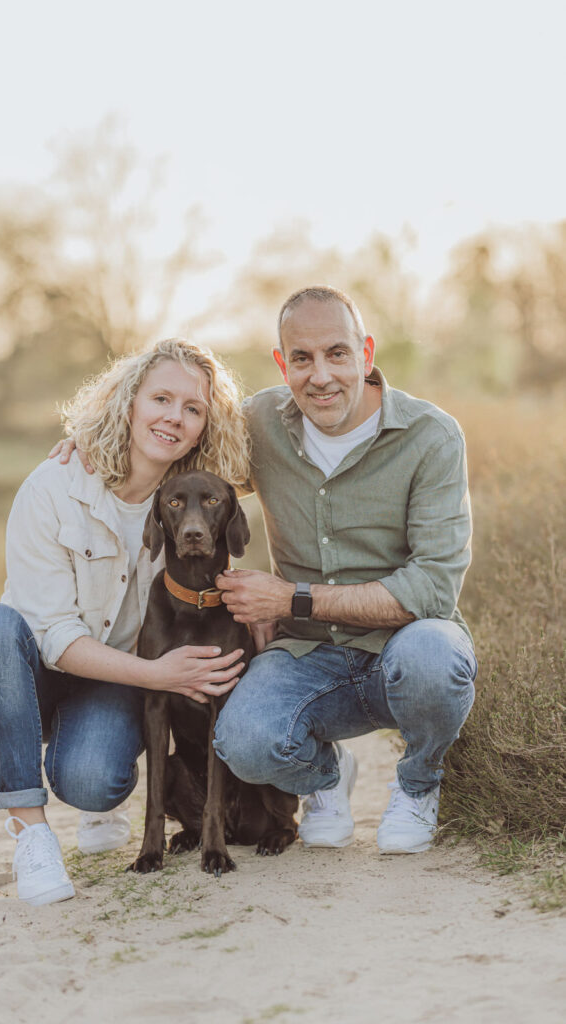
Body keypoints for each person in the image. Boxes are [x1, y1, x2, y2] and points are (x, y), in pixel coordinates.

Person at [0, 339, 249, 906]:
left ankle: (99, 799)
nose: (173, 416)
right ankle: (30, 830)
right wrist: (160, 676)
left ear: (204, 428)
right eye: (160, 398)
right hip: (38, 671)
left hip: (115, 683)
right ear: (127, 401)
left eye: (193, 409)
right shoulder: (54, 486)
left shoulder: (183, 497)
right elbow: (53, 635)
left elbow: (259, 466)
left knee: (94, 783)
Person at [211, 286, 477, 854]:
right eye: (301, 358)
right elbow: (177, 463)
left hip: (405, 645)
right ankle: (325, 780)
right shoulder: (258, 423)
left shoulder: (432, 437)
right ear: (283, 364)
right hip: (309, 655)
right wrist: (88, 451)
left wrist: (288, 600)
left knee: (435, 658)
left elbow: (431, 587)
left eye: (337, 353)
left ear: (367, 354)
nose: (321, 376)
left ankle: (417, 785)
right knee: (244, 741)